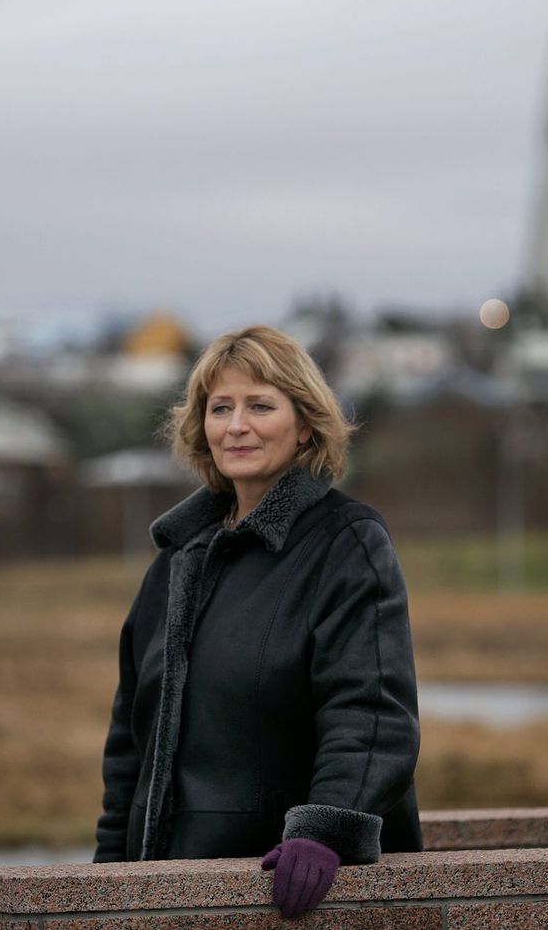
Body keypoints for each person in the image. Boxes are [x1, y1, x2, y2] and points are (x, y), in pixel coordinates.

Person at [93, 324, 422, 919]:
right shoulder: (175, 562)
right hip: (161, 891)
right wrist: (108, 873)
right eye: (220, 408)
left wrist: (325, 830)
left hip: (286, 887)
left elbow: (372, 712)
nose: (236, 425)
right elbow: (127, 743)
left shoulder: (347, 543)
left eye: (260, 405)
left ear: (305, 426)